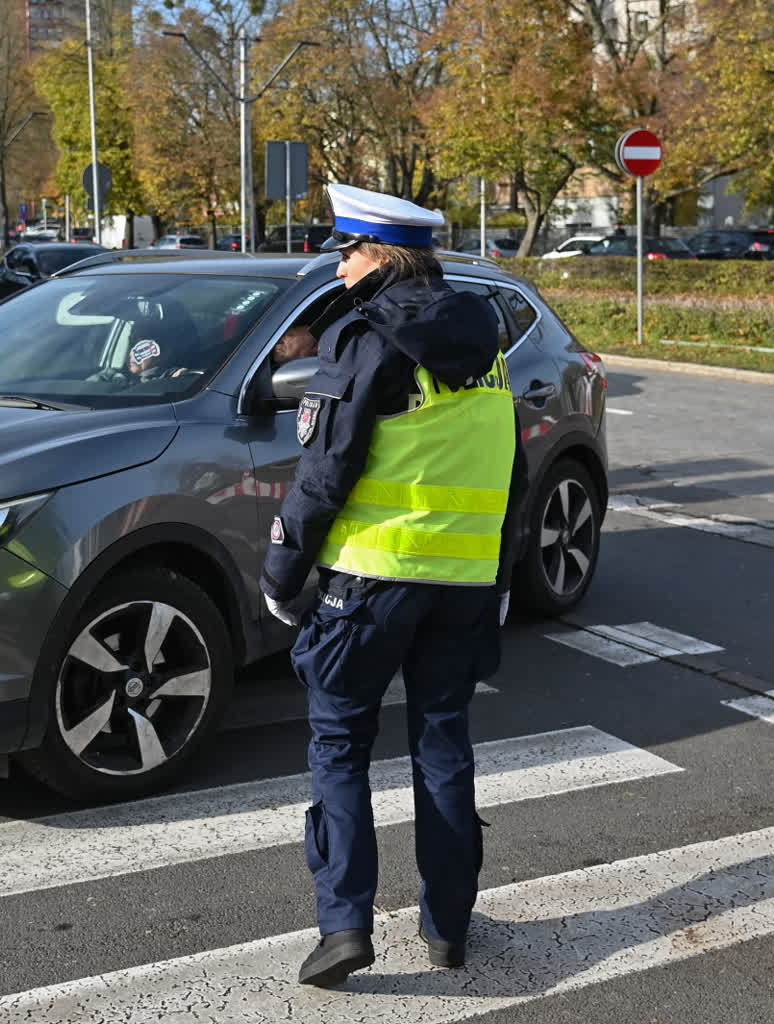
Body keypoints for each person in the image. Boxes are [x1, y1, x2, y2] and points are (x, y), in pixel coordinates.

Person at [260, 184, 527, 988]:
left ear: (377, 256)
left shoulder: (365, 337)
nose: (338, 266)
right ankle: (448, 928)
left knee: (340, 745)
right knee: (442, 744)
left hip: (370, 583)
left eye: (345, 251)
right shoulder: (488, 340)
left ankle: (343, 926)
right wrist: (500, 576)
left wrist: (282, 573)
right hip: (465, 581)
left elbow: (324, 472)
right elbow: (508, 468)